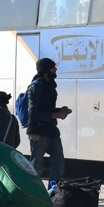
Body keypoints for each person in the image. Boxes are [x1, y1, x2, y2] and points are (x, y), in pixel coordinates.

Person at [26, 58, 72, 188]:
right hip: (39, 132)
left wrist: (60, 111)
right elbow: (33, 113)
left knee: (58, 161)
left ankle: (54, 190)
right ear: (46, 70)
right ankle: (32, 191)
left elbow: (47, 108)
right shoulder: (36, 86)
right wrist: (55, 115)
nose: (55, 70)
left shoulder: (49, 85)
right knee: (36, 165)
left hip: (51, 130)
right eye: (53, 68)